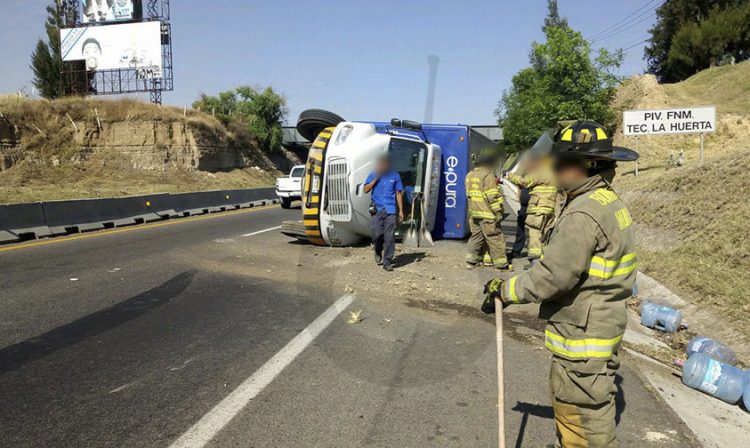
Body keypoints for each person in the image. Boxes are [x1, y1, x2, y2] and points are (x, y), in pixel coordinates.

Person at [483, 120, 639, 448]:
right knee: (582, 416)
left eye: (559, 163)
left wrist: (504, 290)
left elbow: (552, 277)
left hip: (583, 345)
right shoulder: (607, 202)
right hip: (599, 333)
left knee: (582, 425)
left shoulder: (583, 215)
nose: (554, 170)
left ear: (582, 167)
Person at [464, 147, 509, 270]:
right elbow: (492, 196)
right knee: (495, 237)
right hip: (487, 213)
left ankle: (470, 261)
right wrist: (498, 212)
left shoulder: (470, 175)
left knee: (476, 237)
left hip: (474, 213)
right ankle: (501, 264)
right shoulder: (487, 175)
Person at [507, 155, 559, 259]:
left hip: (538, 209)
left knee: (534, 232)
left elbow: (525, 181)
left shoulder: (542, 172)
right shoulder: (555, 174)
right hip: (549, 209)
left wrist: (511, 176)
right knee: (544, 235)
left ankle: (534, 259)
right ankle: (543, 259)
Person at [364, 154, 404, 272]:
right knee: (377, 234)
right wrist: (376, 179)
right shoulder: (373, 174)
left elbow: (398, 193)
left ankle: (387, 261)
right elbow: (366, 189)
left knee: (390, 237)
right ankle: (377, 250)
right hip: (377, 209)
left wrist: (401, 210)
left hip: (390, 210)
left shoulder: (395, 175)